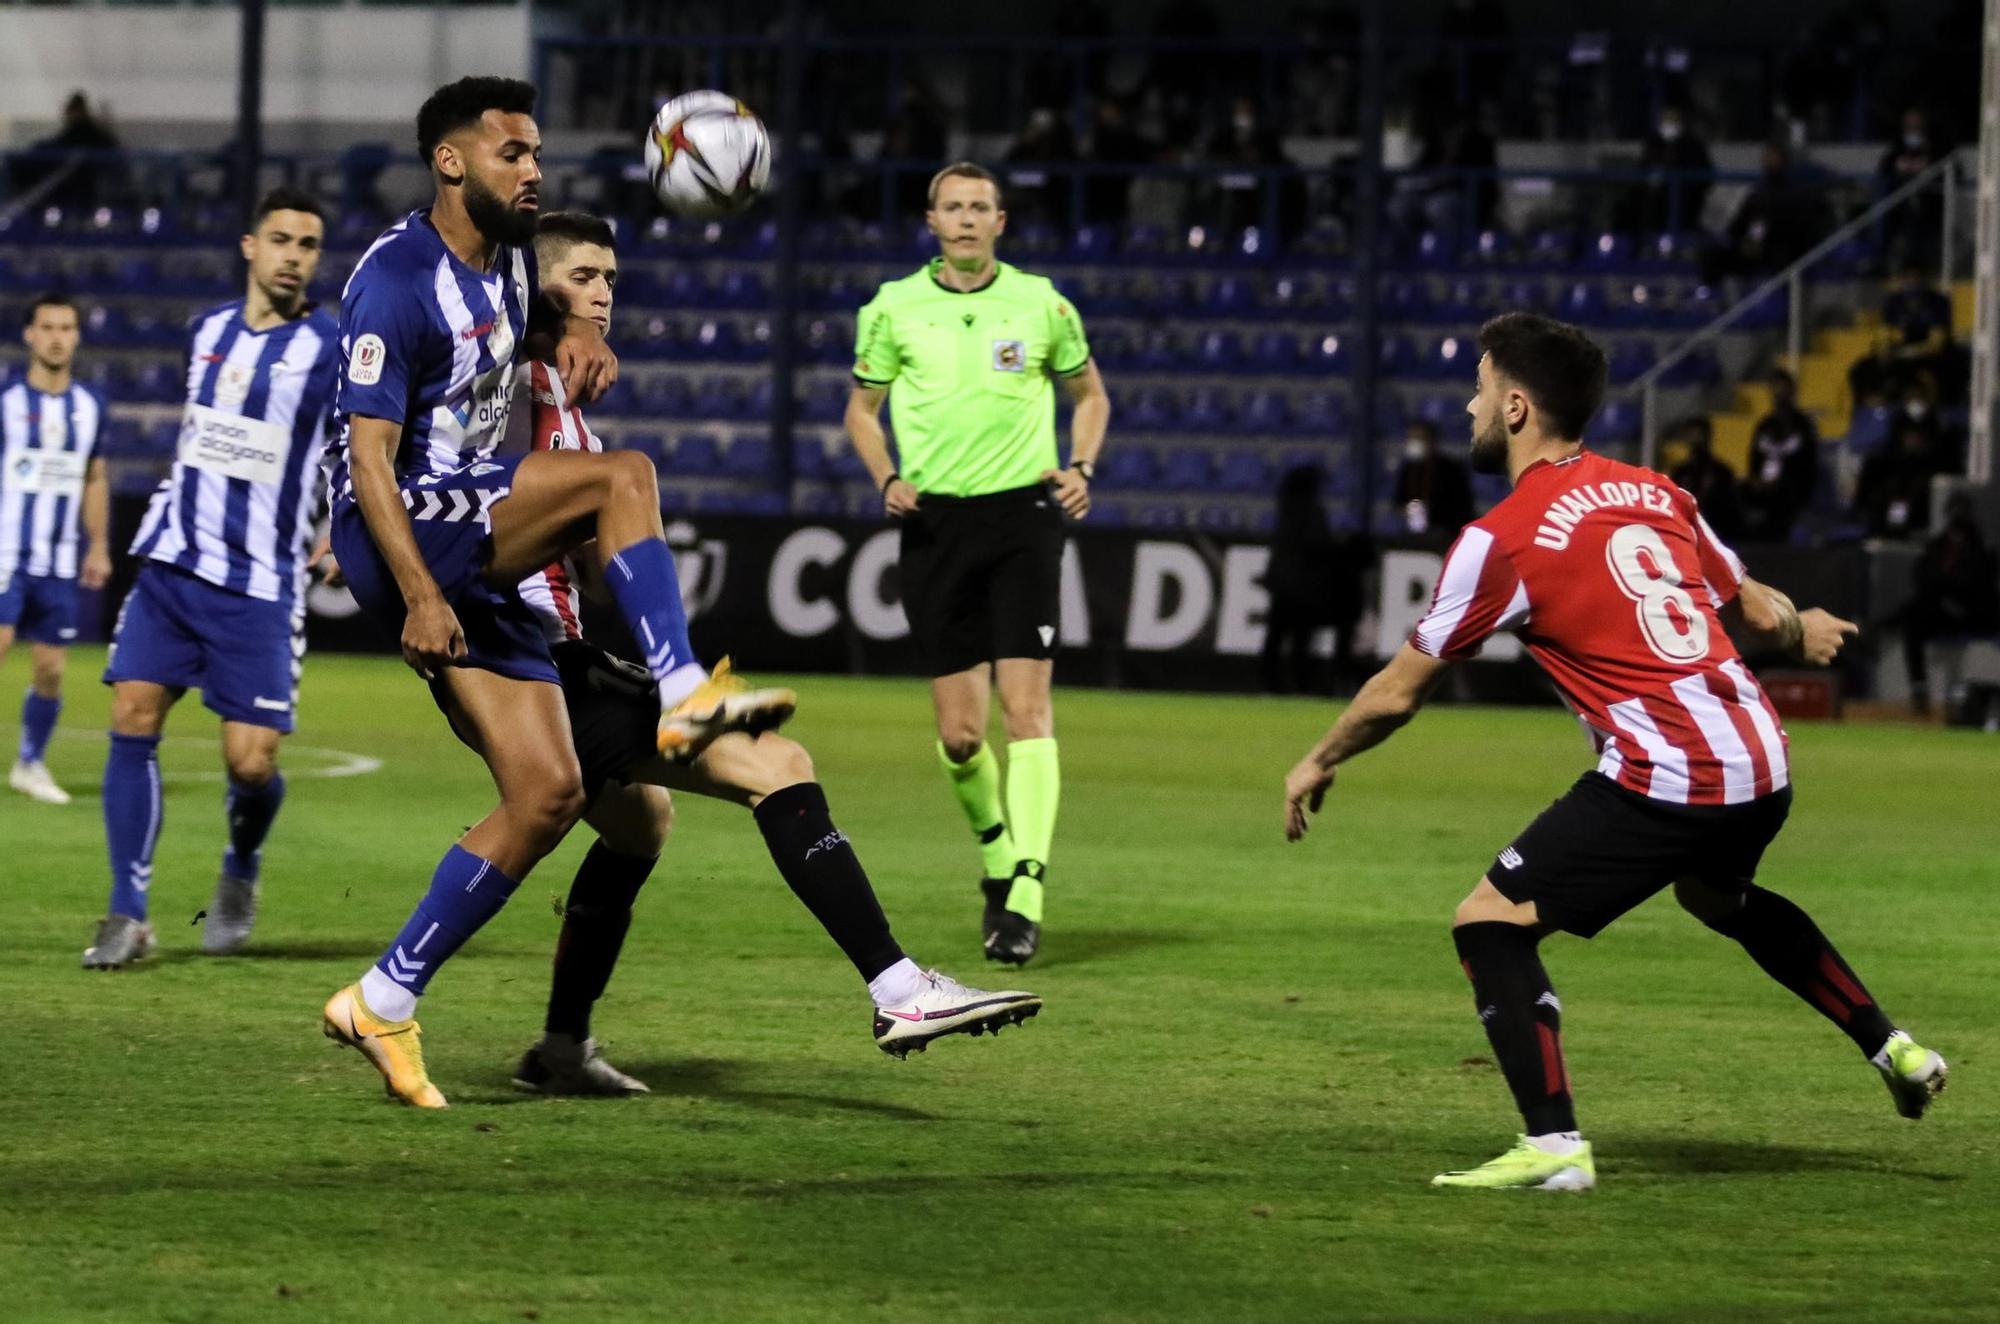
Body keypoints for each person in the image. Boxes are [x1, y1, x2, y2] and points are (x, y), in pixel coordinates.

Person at [1280, 312, 1946, 1192]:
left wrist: (1318, 757)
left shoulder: (1502, 538)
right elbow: (1752, 612)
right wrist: (1801, 624)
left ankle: (1553, 1151)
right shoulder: (1656, 493)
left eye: (1480, 388)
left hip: (1671, 772)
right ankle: (1893, 1049)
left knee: (1490, 921)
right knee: (1718, 897)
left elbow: (1399, 692)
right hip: (1760, 758)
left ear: (1517, 408)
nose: (1469, 404)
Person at [469, 210, 1040, 1090]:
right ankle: (899, 987)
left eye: (612, 280)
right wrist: (557, 321)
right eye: (585, 276)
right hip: (529, 662)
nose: (604, 296)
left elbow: (578, 556)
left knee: (639, 824)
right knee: (778, 764)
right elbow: (489, 311)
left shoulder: (567, 411)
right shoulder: (508, 374)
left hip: (555, 656)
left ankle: (559, 1050)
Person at [317, 77, 796, 1109]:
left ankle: (382, 997)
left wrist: (566, 332)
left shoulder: (498, 271)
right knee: (620, 478)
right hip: (405, 527)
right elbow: (368, 461)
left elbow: (509, 342)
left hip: (468, 540)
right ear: (451, 162)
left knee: (548, 795)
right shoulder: (396, 281)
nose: (533, 171)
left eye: (536, 155)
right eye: (512, 155)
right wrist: (419, 596)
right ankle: (679, 691)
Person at [845, 161, 1111, 966]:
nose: (965, 219)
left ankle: (1025, 893)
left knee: (1027, 713)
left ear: (1001, 221)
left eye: (979, 207)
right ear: (931, 221)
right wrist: (885, 477)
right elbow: (860, 410)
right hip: (934, 524)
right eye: (952, 207)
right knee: (961, 736)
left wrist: (1083, 466)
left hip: (1022, 517)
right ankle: (998, 855)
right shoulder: (892, 308)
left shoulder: (1040, 303)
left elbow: (1091, 394)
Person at [78, 189, 343, 969]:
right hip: (172, 564)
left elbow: (368, 446)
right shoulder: (206, 333)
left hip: (261, 583)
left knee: (251, 764)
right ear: (249, 246)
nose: (295, 254)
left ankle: (241, 865)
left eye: (309, 244)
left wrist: (348, 525)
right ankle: (128, 914)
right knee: (131, 716)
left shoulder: (331, 349)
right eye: (283, 239)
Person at [1, 294, 109, 806]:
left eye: (66, 327)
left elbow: (94, 476)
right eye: (47, 327)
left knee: (51, 668)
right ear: (29, 335)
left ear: (77, 337)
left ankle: (29, 762)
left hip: (59, 561)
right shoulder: (6, 403)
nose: (57, 337)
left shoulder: (89, 407)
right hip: (5, 555)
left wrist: (100, 545)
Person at [1880, 494, 1999, 715]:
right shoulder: (1937, 546)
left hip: (1970, 614)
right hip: (1939, 610)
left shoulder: (1982, 549)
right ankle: (1919, 688)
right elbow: (1921, 576)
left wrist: (1945, 586)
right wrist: (1943, 587)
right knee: (1916, 619)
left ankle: (1882, 625)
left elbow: (1975, 585)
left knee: (1924, 602)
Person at [1740, 368, 1819, 543]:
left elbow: (1807, 463)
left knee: (1782, 497)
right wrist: (1756, 479)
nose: (1779, 394)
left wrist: (1780, 480)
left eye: (1783, 388)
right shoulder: (1764, 425)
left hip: (1791, 486)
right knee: (1739, 491)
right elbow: (1754, 457)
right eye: (1775, 388)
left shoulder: (1803, 425)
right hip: (1763, 484)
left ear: (1792, 391)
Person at [1854, 418, 1943, 539]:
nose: (1913, 440)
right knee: (1897, 501)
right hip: (1885, 514)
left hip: (1917, 517)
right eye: (1910, 435)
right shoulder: (1883, 459)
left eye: (1918, 436)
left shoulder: (1930, 463)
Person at [1664, 416, 1745, 544]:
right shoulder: (1681, 471)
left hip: (1716, 531)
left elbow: (1730, 509)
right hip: (1685, 527)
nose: (1692, 437)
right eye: (1689, 433)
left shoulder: (1721, 472)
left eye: (1696, 433)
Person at [1391, 419, 1475, 540]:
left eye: (1419, 438)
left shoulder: (1451, 470)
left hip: (1445, 533)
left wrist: (1430, 511)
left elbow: (1461, 507)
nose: (1414, 443)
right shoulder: (1407, 469)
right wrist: (1410, 510)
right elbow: (1398, 502)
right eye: (1411, 438)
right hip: (1412, 533)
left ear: (1431, 441)